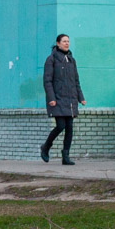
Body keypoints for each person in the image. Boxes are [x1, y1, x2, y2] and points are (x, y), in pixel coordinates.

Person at [41, 33, 86, 165]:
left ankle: (65, 156)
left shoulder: (71, 60)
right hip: (57, 99)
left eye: (68, 41)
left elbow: (76, 81)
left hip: (70, 99)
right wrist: (51, 98)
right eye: (64, 41)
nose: (67, 43)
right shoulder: (51, 59)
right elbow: (47, 81)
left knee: (69, 127)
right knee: (60, 126)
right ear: (58, 43)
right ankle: (46, 146)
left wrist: (80, 97)